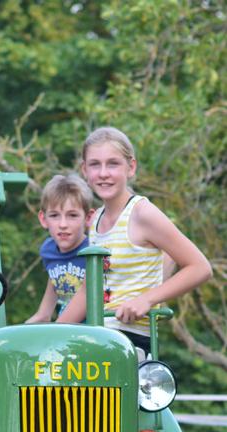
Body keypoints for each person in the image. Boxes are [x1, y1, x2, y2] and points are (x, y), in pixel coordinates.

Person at [58, 127, 211, 350]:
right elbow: (88, 290)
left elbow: (200, 267)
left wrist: (147, 299)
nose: (103, 173)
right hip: (97, 335)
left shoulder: (141, 213)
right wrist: (51, 333)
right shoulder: (96, 219)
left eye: (113, 164)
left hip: (131, 340)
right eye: (94, 164)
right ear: (84, 170)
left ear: (131, 167)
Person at [25, 174, 94, 324]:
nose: (63, 224)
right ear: (43, 219)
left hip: (94, 328)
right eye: (55, 215)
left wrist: (55, 333)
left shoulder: (93, 252)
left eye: (72, 215)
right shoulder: (49, 251)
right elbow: (43, 314)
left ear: (88, 218)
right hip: (65, 326)